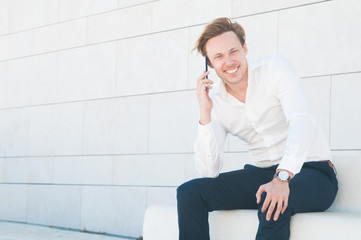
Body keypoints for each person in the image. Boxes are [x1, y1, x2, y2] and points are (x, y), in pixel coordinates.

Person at [177, 17, 338, 240]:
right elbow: (208, 171)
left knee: (272, 199)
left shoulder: (274, 68)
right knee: (189, 193)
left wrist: (282, 177)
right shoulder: (215, 102)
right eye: (219, 57)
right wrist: (205, 114)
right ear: (210, 64)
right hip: (262, 173)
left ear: (244, 48)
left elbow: (302, 121)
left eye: (233, 51)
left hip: (312, 171)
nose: (229, 62)